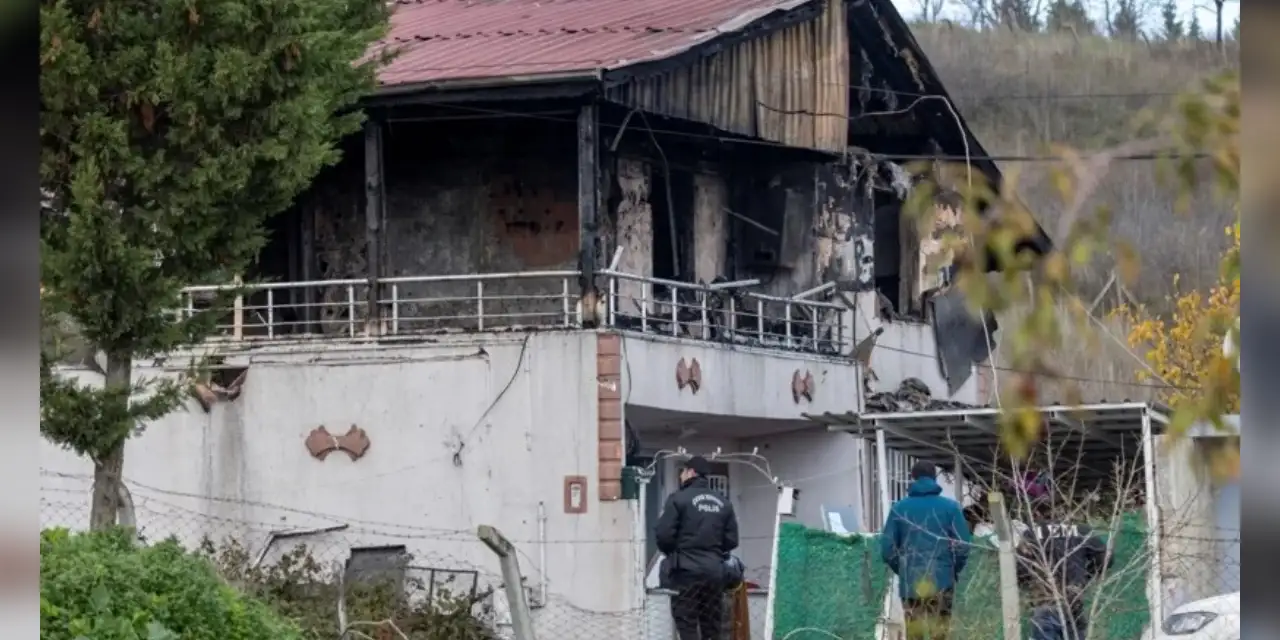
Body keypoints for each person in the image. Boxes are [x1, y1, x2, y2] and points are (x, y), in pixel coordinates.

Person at [880, 461, 971, 640]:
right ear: (934, 477)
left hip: (911, 583)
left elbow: (887, 549)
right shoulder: (950, 507)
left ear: (912, 478)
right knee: (940, 635)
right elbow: (964, 545)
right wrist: (952, 569)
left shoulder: (899, 509)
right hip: (942, 581)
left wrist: (903, 568)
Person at [654, 455, 740, 640]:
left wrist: (673, 552)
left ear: (691, 472)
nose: (681, 476)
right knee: (711, 625)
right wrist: (713, 552)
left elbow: (663, 534)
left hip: (685, 572)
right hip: (714, 573)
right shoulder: (723, 503)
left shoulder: (678, 499)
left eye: (683, 472)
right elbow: (732, 540)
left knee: (687, 624)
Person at [1017, 498, 1112, 640]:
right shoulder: (1081, 530)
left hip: (1045, 601)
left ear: (1037, 513)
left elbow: (1021, 570)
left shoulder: (1032, 534)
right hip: (1074, 601)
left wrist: (1027, 584)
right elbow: (1106, 558)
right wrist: (1087, 575)